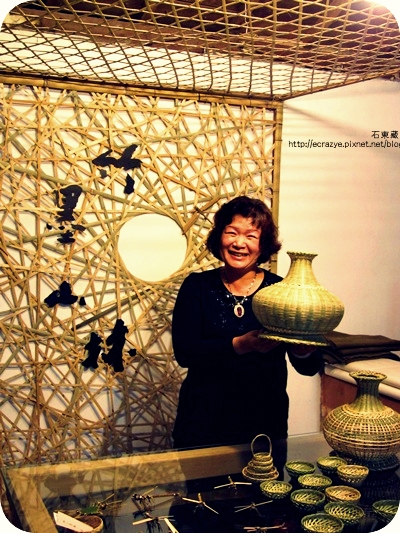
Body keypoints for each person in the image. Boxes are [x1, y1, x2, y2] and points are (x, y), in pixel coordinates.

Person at [171, 195, 323, 450]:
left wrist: (302, 350)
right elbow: (185, 353)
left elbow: (309, 367)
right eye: (231, 233)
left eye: (251, 236)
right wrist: (239, 345)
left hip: (263, 424)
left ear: (263, 245)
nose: (239, 243)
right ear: (219, 237)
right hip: (202, 421)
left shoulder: (281, 290)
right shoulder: (197, 286)